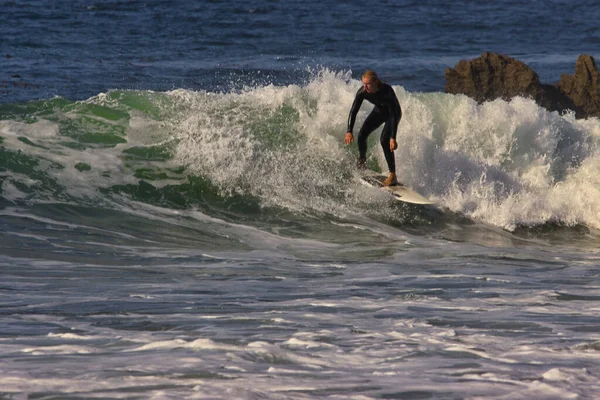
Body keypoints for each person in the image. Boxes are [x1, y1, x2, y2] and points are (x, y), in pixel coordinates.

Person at [345, 70, 402, 186]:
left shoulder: (387, 91)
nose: (365, 87)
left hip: (393, 115)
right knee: (361, 135)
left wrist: (393, 137)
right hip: (379, 111)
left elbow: (393, 115)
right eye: (364, 84)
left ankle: (392, 175)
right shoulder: (362, 92)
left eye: (368, 84)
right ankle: (362, 162)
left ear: (376, 82)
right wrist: (349, 131)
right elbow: (353, 111)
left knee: (384, 140)